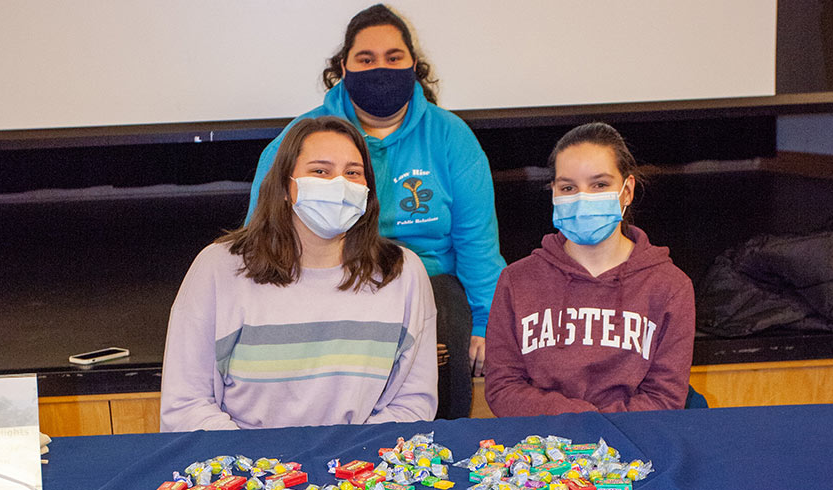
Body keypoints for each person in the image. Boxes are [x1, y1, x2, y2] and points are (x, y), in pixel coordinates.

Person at [244, 4, 505, 419]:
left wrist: (486, 324)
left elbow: (477, 243)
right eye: (366, 59)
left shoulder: (452, 136)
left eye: (393, 58)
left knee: (445, 342)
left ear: (414, 66)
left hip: (431, 281)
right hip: (326, 274)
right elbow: (260, 235)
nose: (380, 69)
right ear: (343, 68)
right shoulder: (299, 139)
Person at [160, 116, 437, 430]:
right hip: (249, 469)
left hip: (357, 469)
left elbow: (414, 403)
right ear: (283, 187)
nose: (339, 184)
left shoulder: (403, 273)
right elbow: (186, 405)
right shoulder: (218, 269)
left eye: (352, 173)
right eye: (320, 171)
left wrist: (348, 464)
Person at [484, 122, 695, 416]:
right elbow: (502, 387)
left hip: (632, 445)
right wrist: (576, 421)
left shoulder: (670, 286)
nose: (582, 198)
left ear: (627, 191)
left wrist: (599, 430)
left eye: (599, 185)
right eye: (568, 187)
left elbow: (665, 396)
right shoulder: (517, 280)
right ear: (554, 193)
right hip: (542, 449)